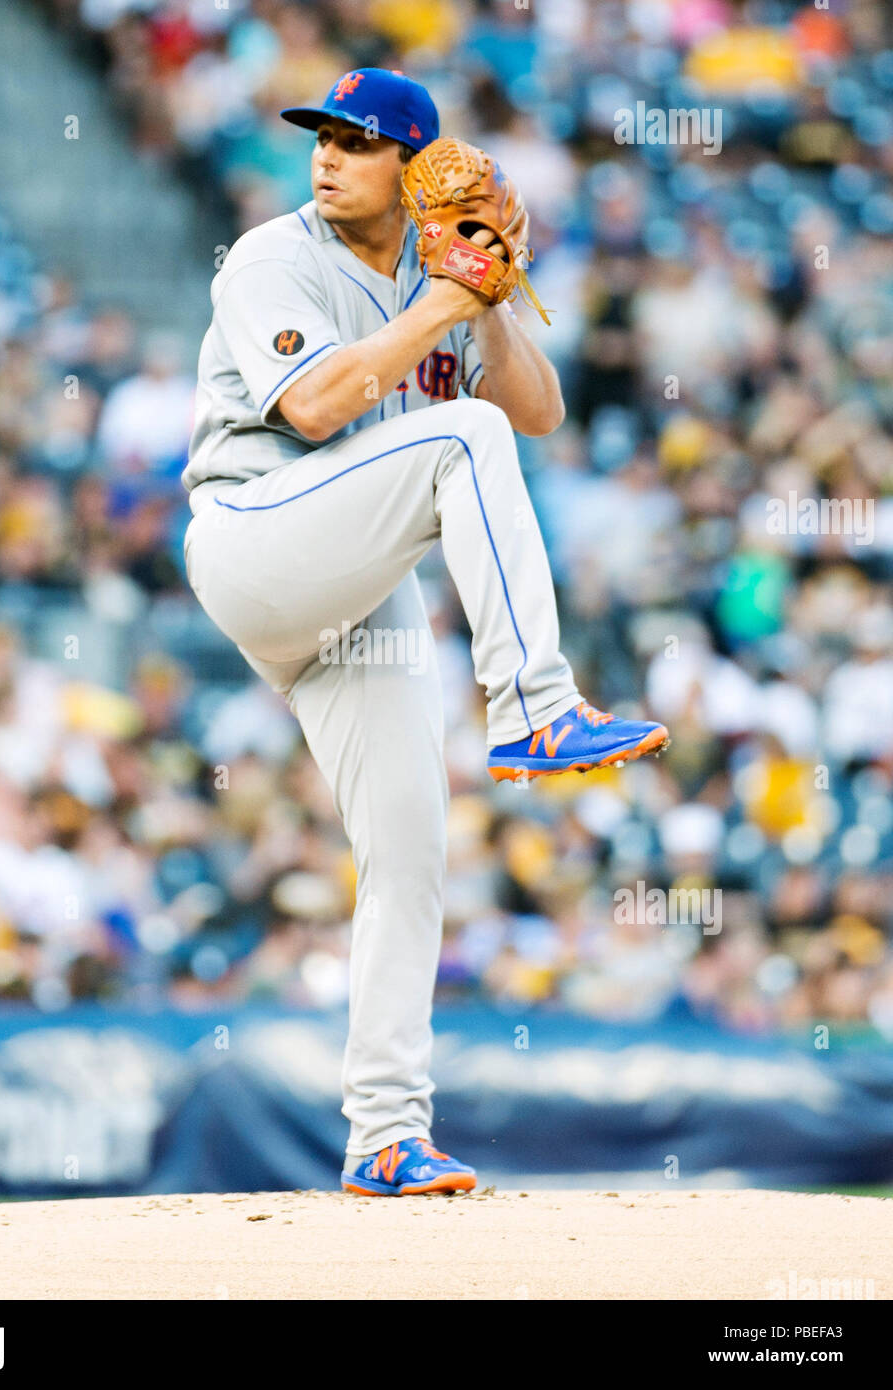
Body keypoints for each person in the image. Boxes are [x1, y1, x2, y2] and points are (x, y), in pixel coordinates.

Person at [181, 68, 668, 1196]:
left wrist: (489, 287)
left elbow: (537, 412)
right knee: (456, 438)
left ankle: (384, 1135)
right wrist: (448, 298)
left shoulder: (428, 267)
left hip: (355, 587)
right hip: (255, 534)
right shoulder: (272, 256)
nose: (328, 153)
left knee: (408, 852)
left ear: (410, 167)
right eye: (322, 135)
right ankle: (538, 707)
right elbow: (310, 410)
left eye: (358, 141)